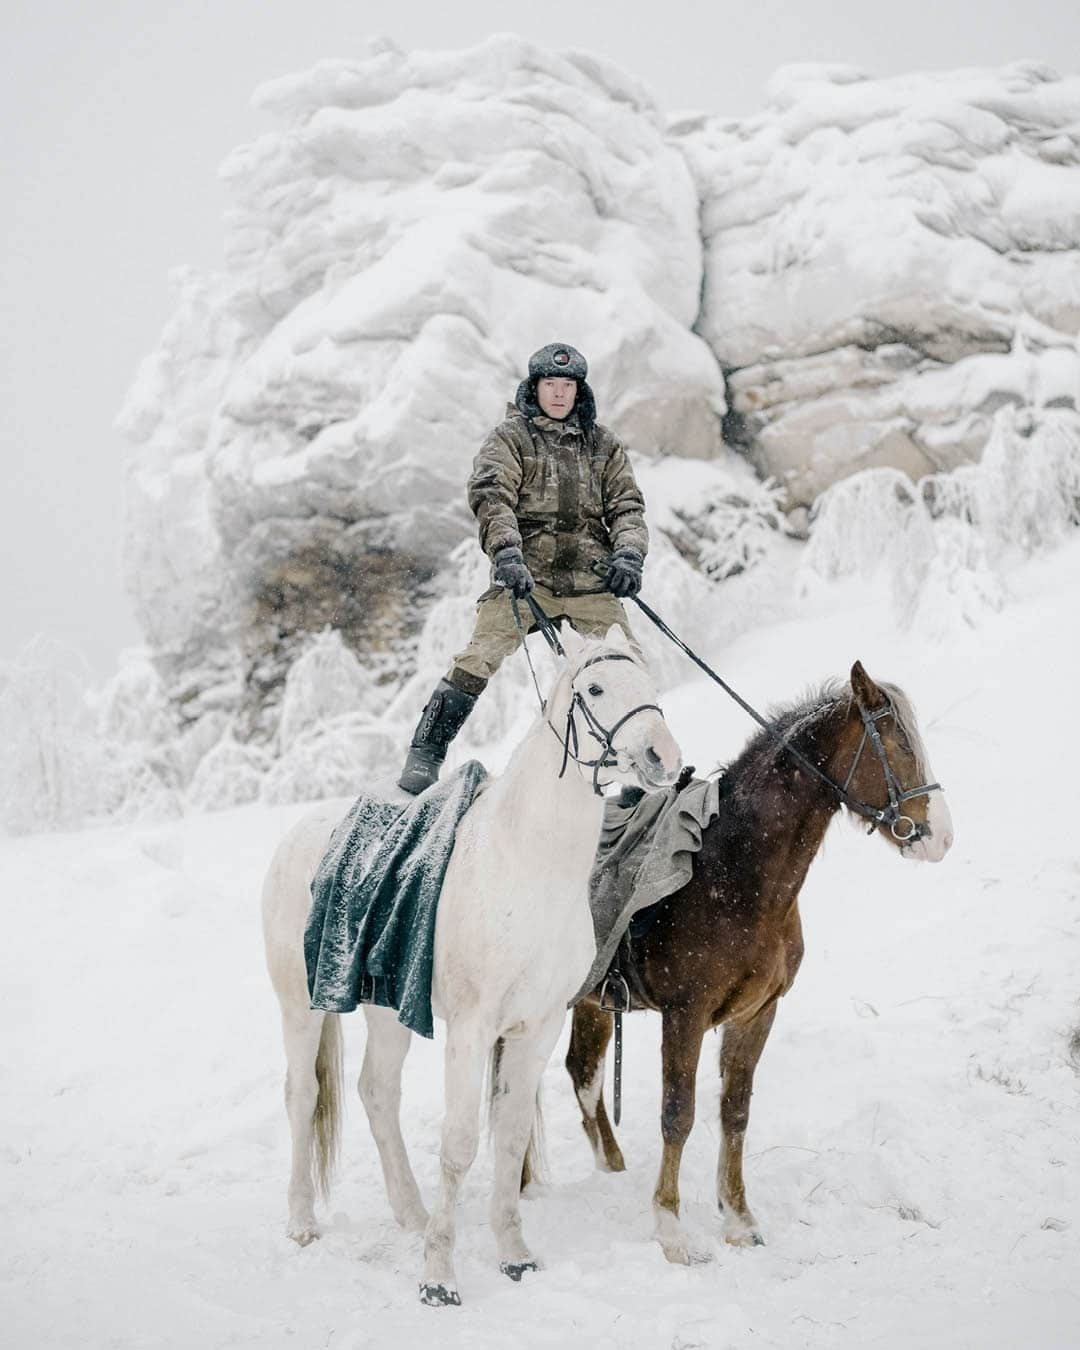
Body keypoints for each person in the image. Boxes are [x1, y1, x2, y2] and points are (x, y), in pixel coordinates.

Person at [398, 342, 649, 795]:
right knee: (480, 654)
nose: (558, 393)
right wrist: (507, 554)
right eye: (550, 384)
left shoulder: (604, 445)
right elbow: (492, 496)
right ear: (535, 388)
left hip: (590, 582)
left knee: (625, 661)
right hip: (525, 578)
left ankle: (638, 765)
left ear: (579, 391)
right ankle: (425, 752)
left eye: (567, 385)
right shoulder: (510, 438)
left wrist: (629, 555)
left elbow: (628, 507)